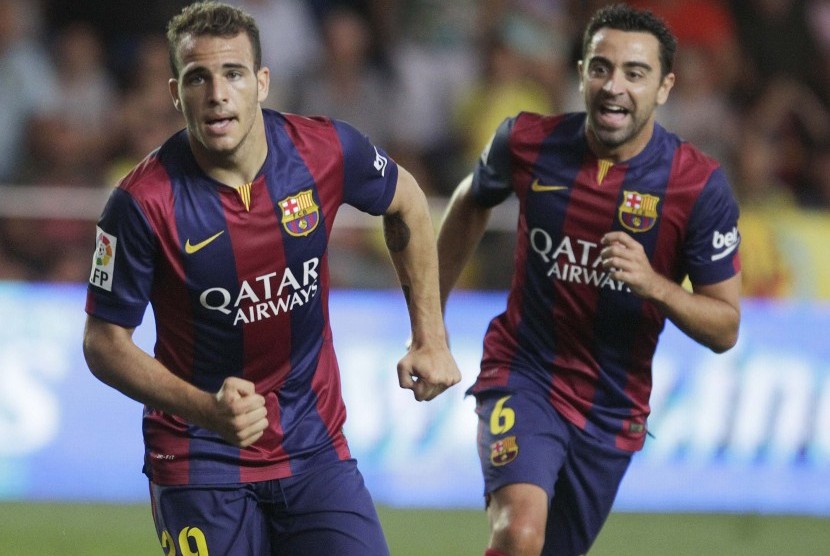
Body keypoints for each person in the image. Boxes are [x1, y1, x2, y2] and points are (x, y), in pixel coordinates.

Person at [82, 3, 461, 555]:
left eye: (233, 74)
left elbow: (407, 202)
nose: (217, 93)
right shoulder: (141, 204)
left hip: (313, 450)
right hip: (198, 460)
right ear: (175, 93)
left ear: (261, 83)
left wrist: (430, 337)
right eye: (198, 78)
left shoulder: (325, 151)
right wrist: (204, 409)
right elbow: (102, 342)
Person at [436, 4, 741, 556]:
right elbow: (470, 201)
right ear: (580, 72)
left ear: (664, 86)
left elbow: (725, 327)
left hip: (611, 407)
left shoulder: (697, 186)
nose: (613, 86)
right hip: (523, 373)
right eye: (600, 67)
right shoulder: (527, 142)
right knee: (518, 534)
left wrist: (654, 284)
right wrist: (428, 323)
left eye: (635, 72)